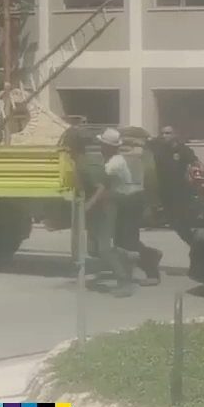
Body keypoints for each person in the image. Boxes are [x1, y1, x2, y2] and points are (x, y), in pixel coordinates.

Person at [65, 128, 133, 298]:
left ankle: (124, 281)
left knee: (103, 249)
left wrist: (89, 205)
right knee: (93, 249)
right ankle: (126, 256)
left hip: (104, 208)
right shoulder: (79, 161)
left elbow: (101, 187)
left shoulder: (88, 164)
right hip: (96, 209)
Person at [148, 125, 200, 245]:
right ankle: (194, 242)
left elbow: (195, 163)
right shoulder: (159, 149)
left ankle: (195, 243)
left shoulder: (183, 150)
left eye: (168, 133)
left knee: (181, 222)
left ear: (175, 135)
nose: (165, 136)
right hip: (164, 192)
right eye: (163, 133)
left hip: (180, 192)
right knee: (174, 222)